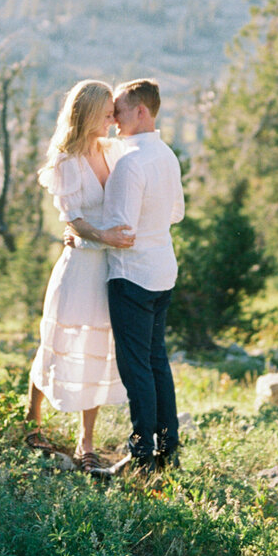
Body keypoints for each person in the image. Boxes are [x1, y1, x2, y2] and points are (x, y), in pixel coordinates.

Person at [26, 79, 134, 465]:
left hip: (109, 266)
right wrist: (101, 233)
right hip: (79, 266)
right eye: (106, 114)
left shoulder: (112, 149)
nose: (112, 120)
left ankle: (85, 443)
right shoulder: (65, 161)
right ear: (87, 113)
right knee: (56, 340)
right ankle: (32, 417)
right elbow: (73, 220)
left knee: (98, 348)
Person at [94, 77, 184, 474]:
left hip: (131, 277)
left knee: (136, 370)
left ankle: (142, 456)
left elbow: (121, 231)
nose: (113, 119)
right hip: (162, 270)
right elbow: (176, 214)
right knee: (156, 363)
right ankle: (168, 450)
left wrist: (82, 233)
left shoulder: (130, 164)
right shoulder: (166, 154)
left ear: (141, 111)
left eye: (120, 111)